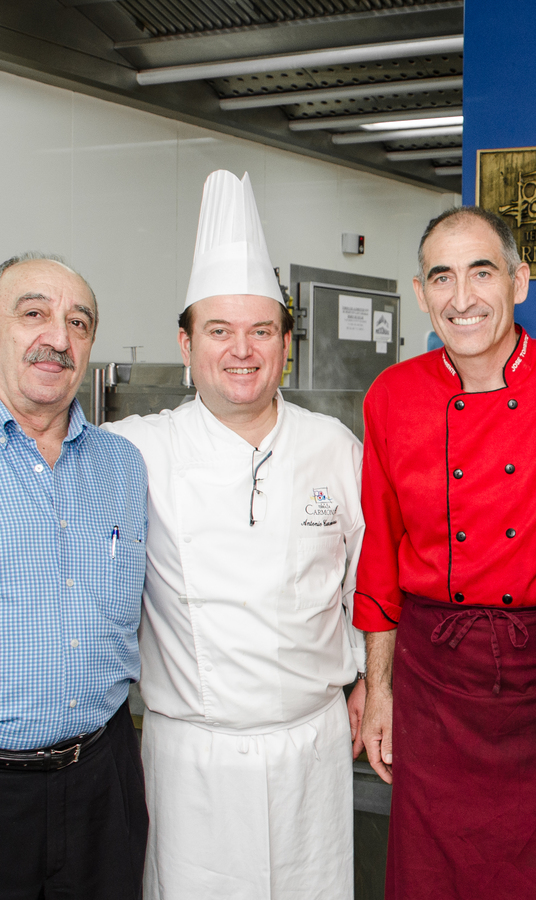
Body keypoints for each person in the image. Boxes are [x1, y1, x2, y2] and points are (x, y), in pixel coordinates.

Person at [355, 206, 536, 900]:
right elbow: (382, 556)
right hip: (433, 675)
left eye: (481, 273)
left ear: (519, 281)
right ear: (420, 294)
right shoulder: (392, 395)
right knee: (433, 874)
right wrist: (380, 686)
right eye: (442, 278)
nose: (462, 298)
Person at [104, 170, 366, 900]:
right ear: (186, 345)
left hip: (312, 747)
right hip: (193, 757)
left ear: (287, 343)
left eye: (261, 330)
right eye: (218, 331)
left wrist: (370, 677)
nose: (241, 350)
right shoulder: (132, 449)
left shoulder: (332, 446)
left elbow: (368, 578)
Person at [0, 252, 148, 899]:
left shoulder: (123, 467)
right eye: (34, 313)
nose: (57, 338)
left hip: (104, 780)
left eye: (78, 323)